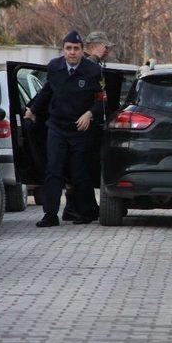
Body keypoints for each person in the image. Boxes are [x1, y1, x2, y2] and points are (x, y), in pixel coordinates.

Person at [25, 30, 104, 227]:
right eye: (68, 48)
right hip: (57, 127)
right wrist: (32, 110)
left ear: (82, 51)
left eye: (76, 49)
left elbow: (102, 101)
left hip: (80, 129)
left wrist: (90, 113)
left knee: (79, 172)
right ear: (63, 50)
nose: (72, 53)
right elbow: (47, 91)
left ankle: (84, 213)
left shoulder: (93, 71)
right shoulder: (54, 67)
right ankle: (50, 214)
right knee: (54, 170)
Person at [61, 30, 114, 222]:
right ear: (93, 46)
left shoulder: (93, 64)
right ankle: (82, 209)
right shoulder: (89, 65)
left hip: (83, 123)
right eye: (104, 46)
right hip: (82, 125)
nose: (107, 49)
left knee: (80, 169)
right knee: (81, 169)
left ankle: (77, 207)